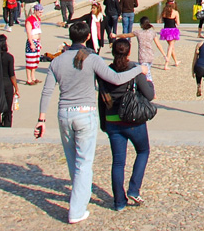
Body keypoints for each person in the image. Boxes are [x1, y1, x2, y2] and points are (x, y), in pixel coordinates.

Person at [35, 20, 147, 225]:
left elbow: (47, 91)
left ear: (70, 37)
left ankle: (79, 198)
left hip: (64, 113)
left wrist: (41, 119)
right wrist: (139, 70)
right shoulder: (92, 58)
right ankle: (76, 210)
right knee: (84, 163)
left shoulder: (56, 61)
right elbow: (115, 78)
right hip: (85, 113)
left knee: (73, 161)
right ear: (88, 37)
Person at [99, 38, 154, 210]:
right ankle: (133, 188)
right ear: (129, 52)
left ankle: (119, 202)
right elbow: (150, 95)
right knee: (143, 151)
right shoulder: (135, 70)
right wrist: (148, 79)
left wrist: (103, 122)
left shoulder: (106, 71)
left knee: (118, 162)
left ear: (113, 52)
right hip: (132, 119)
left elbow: (101, 97)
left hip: (112, 121)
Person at [158, 0, 181, 69]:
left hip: (165, 30)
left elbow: (159, 21)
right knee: (170, 47)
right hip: (173, 30)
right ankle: (166, 63)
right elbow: (178, 23)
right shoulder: (175, 12)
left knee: (172, 47)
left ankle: (176, 61)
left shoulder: (164, 12)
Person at [25, 3, 44, 84]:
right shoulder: (29, 20)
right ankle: (29, 79)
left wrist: (39, 42)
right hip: (31, 41)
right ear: (35, 11)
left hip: (37, 41)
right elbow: (29, 33)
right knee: (30, 61)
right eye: (39, 12)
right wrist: (31, 43)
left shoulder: (38, 19)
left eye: (41, 12)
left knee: (35, 61)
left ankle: (33, 77)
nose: (41, 14)